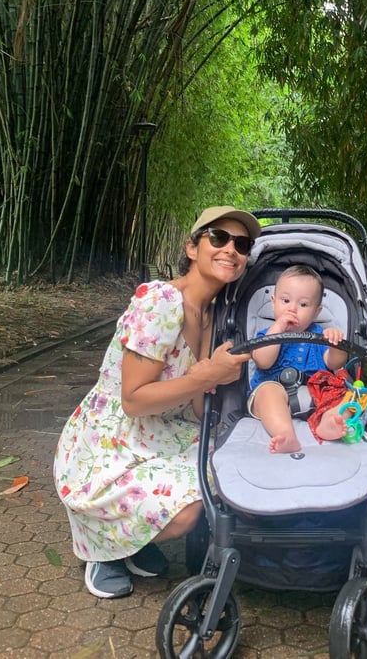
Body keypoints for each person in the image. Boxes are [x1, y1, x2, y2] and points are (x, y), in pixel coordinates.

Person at [53, 205, 260, 599]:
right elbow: (132, 400)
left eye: (242, 244)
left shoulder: (217, 315)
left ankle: (133, 540)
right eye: (218, 238)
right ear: (192, 247)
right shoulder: (161, 301)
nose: (230, 250)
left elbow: (198, 405)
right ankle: (104, 551)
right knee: (187, 513)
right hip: (113, 440)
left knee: (233, 471)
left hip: (164, 430)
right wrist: (206, 375)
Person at [247, 264, 349, 453]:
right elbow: (263, 361)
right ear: (273, 302)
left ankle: (328, 423)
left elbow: (335, 363)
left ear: (316, 312)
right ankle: (286, 434)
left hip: (316, 396)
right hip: (275, 391)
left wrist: (337, 344)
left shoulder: (320, 335)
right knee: (267, 392)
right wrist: (278, 327)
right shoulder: (266, 334)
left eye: (303, 305)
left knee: (348, 396)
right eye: (285, 300)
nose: (292, 309)